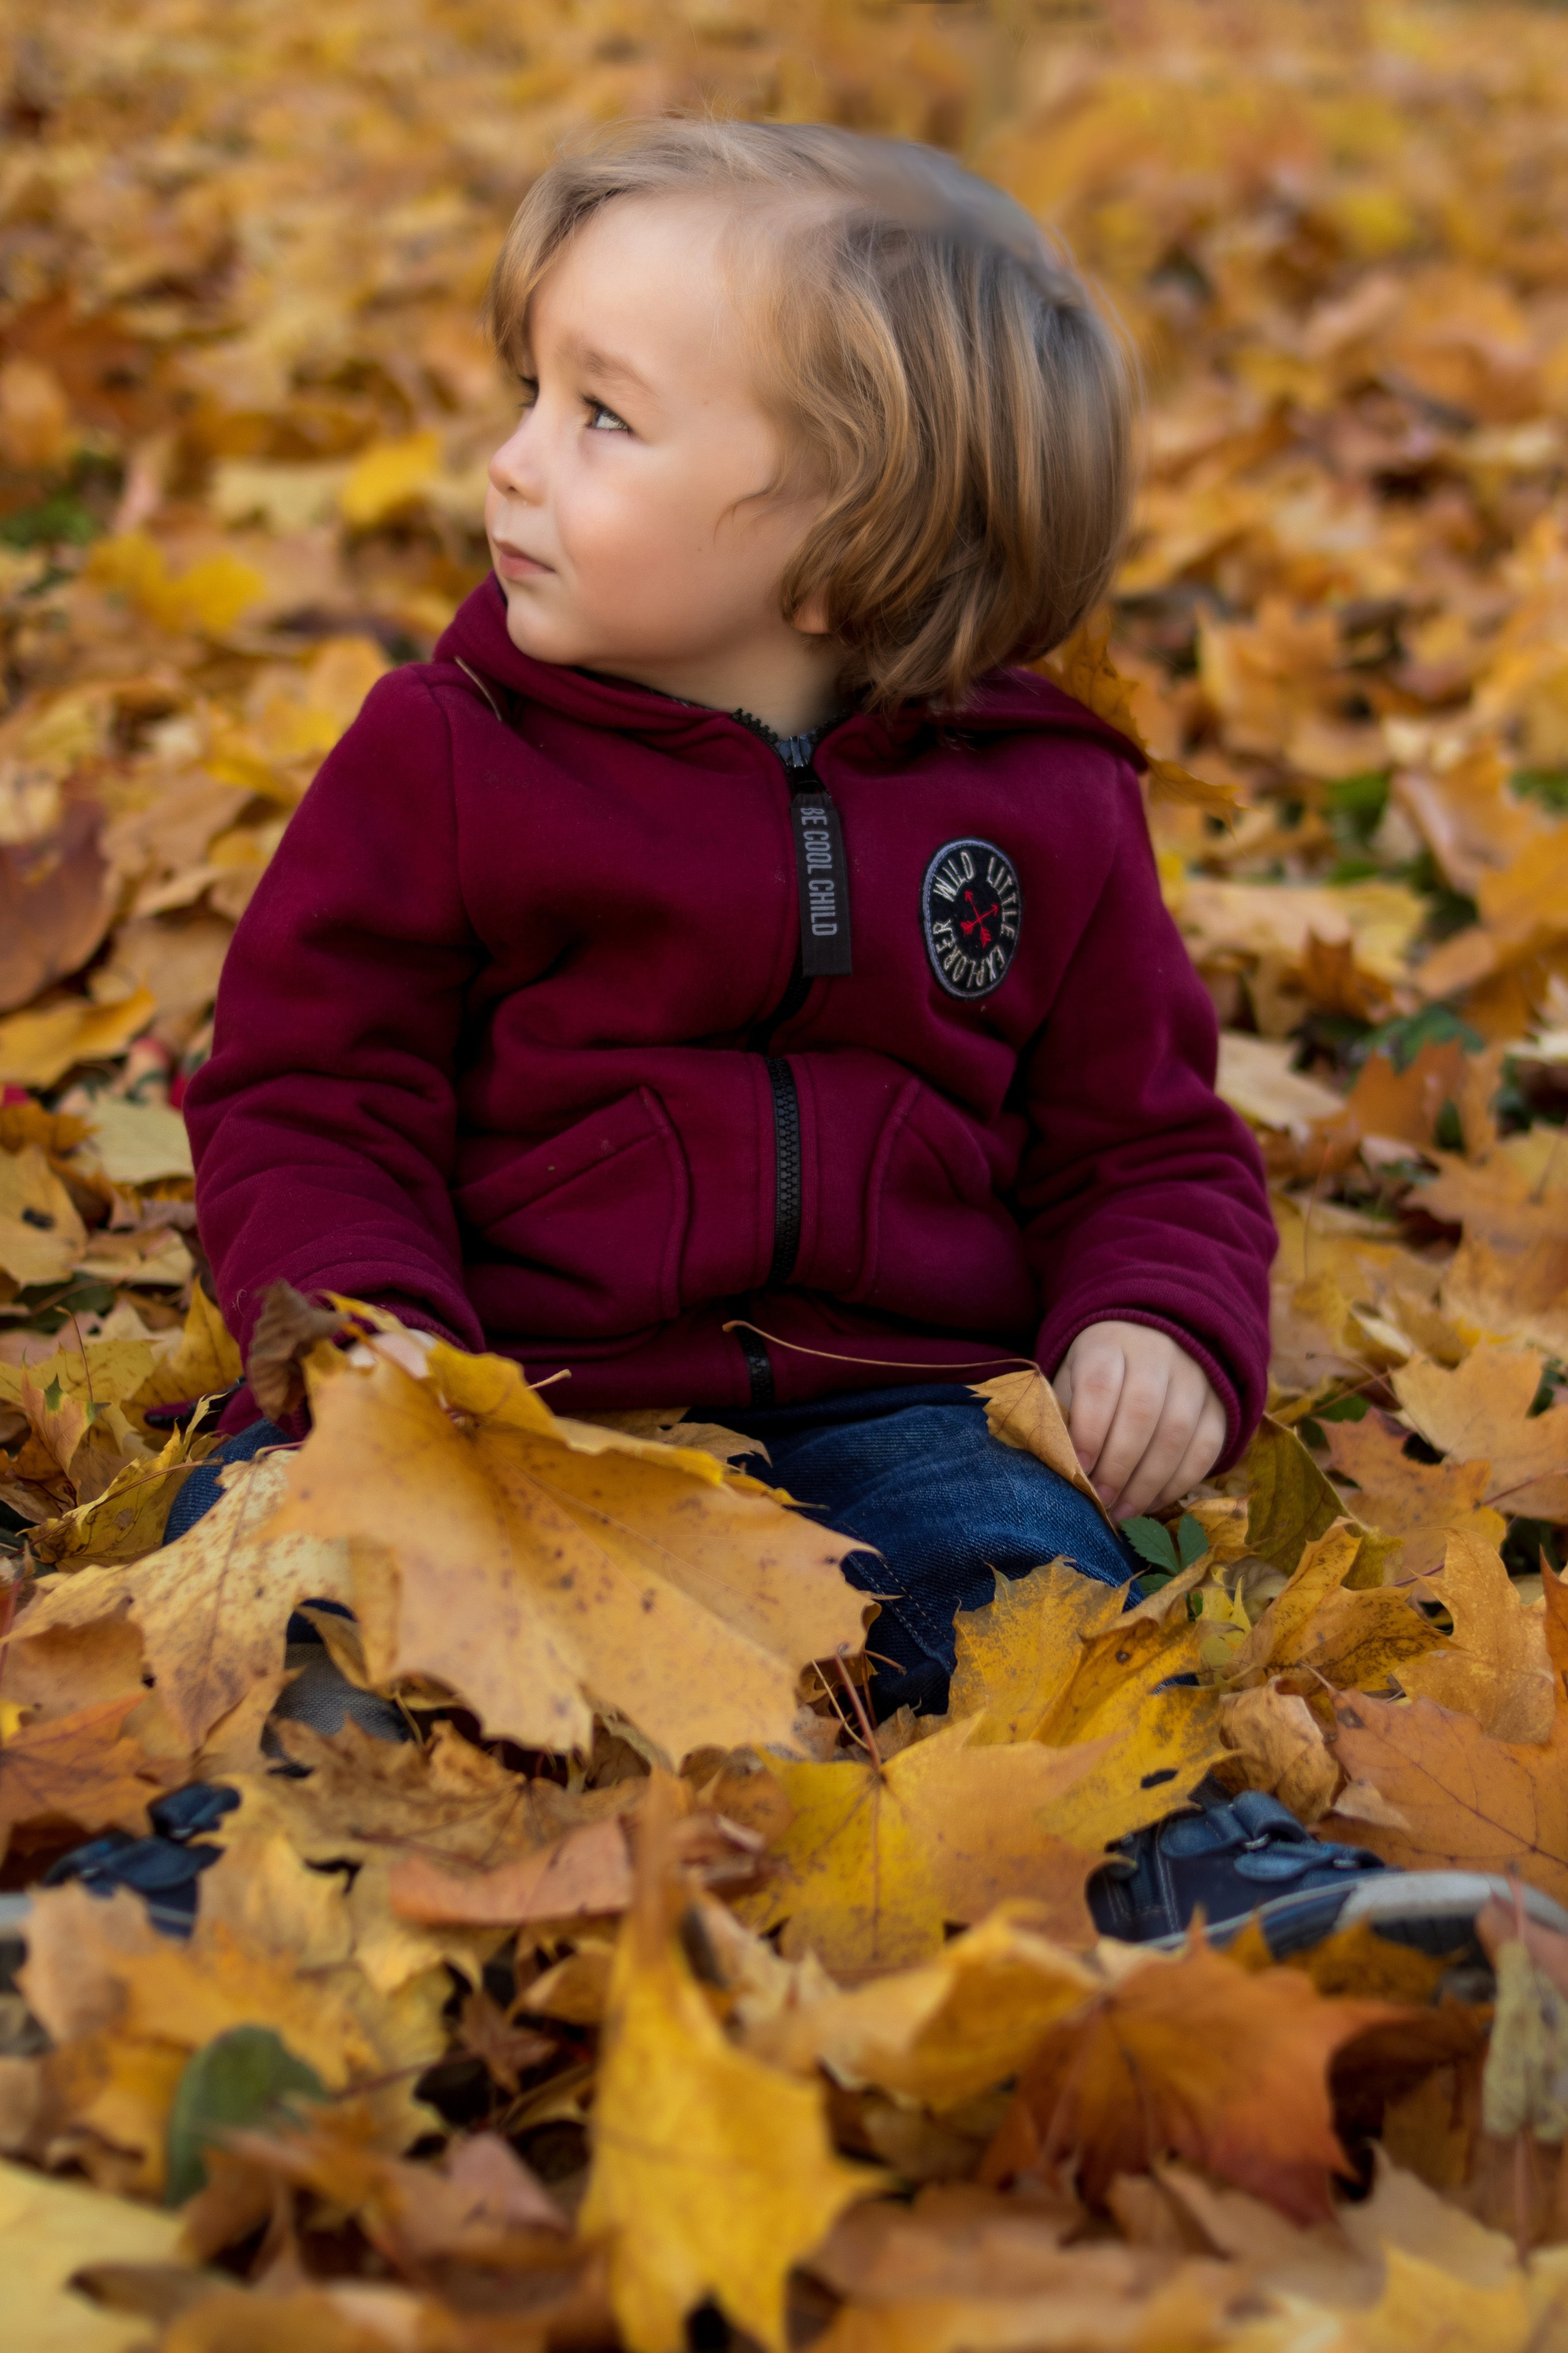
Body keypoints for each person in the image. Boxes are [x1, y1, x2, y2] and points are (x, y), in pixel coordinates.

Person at [178, 119, 1561, 1958]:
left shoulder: (1043, 806)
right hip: (509, 1398)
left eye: (601, 416)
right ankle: (213, 1875)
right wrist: (366, 1339)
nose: (508, 462)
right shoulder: (446, 759)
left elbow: (1143, 1142)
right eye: (533, 387)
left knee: (1012, 1588)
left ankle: (1170, 1873)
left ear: (847, 537)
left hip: (892, 1400)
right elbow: (304, 1086)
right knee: (302, 1571)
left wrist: (1154, 1321)